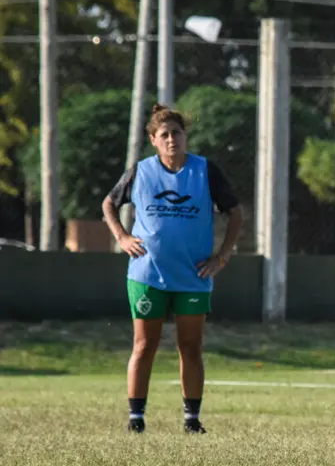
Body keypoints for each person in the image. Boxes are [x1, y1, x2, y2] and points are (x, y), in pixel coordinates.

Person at [102, 104, 244, 435]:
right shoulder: (141, 171)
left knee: (190, 346)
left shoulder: (205, 171)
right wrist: (122, 237)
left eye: (176, 134)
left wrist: (221, 256)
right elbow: (109, 203)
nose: (171, 140)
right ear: (153, 139)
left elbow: (235, 212)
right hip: (147, 273)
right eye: (163, 135)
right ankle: (136, 418)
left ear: (185, 137)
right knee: (144, 345)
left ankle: (191, 419)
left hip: (193, 275)